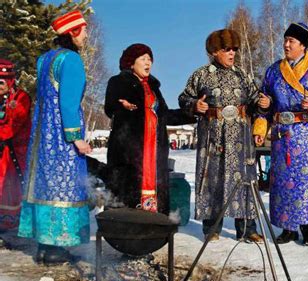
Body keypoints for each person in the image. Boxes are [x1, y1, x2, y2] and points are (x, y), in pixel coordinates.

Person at [179, 29, 267, 243]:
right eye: (227, 49)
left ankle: (247, 229)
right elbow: (184, 98)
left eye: (234, 49)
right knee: (213, 179)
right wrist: (194, 105)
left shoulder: (242, 74)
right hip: (213, 135)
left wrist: (262, 103)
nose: (232, 53)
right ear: (214, 52)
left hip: (241, 138)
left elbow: (256, 98)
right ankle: (212, 229)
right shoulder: (201, 74)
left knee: (245, 179)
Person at [18, 10, 92, 265]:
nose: (86, 34)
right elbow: (69, 103)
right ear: (72, 33)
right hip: (61, 137)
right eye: (83, 30)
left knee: (44, 185)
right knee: (64, 187)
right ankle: (57, 248)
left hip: (42, 135)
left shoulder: (45, 59)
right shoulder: (71, 60)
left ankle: (43, 245)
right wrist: (76, 137)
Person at [257, 23, 308, 245]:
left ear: (303, 45)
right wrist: (265, 104)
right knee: (282, 181)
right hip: (282, 134)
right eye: (285, 40)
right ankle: (287, 228)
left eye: (291, 41)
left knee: (307, 182)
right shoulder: (274, 70)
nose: (286, 44)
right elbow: (264, 97)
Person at [104, 43, 195, 212]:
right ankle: (123, 228)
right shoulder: (118, 82)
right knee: (127, 189)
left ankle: (154, 227)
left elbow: (165, 115)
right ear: (131, 63)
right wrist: (122, 106)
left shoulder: (153, 88)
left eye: (150, 59)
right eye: (143, 58)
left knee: (155, 185)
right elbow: (110, 107)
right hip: (129, 149)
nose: (148, 63)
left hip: (154, 148)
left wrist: (192, 113)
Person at [0, 59, 31, 240]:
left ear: (10, 81)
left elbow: (13, 125)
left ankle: (14, 223)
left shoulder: (20, 98)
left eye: (1, 82)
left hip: (16, 153)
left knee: (12, 186)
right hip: (3, 150)